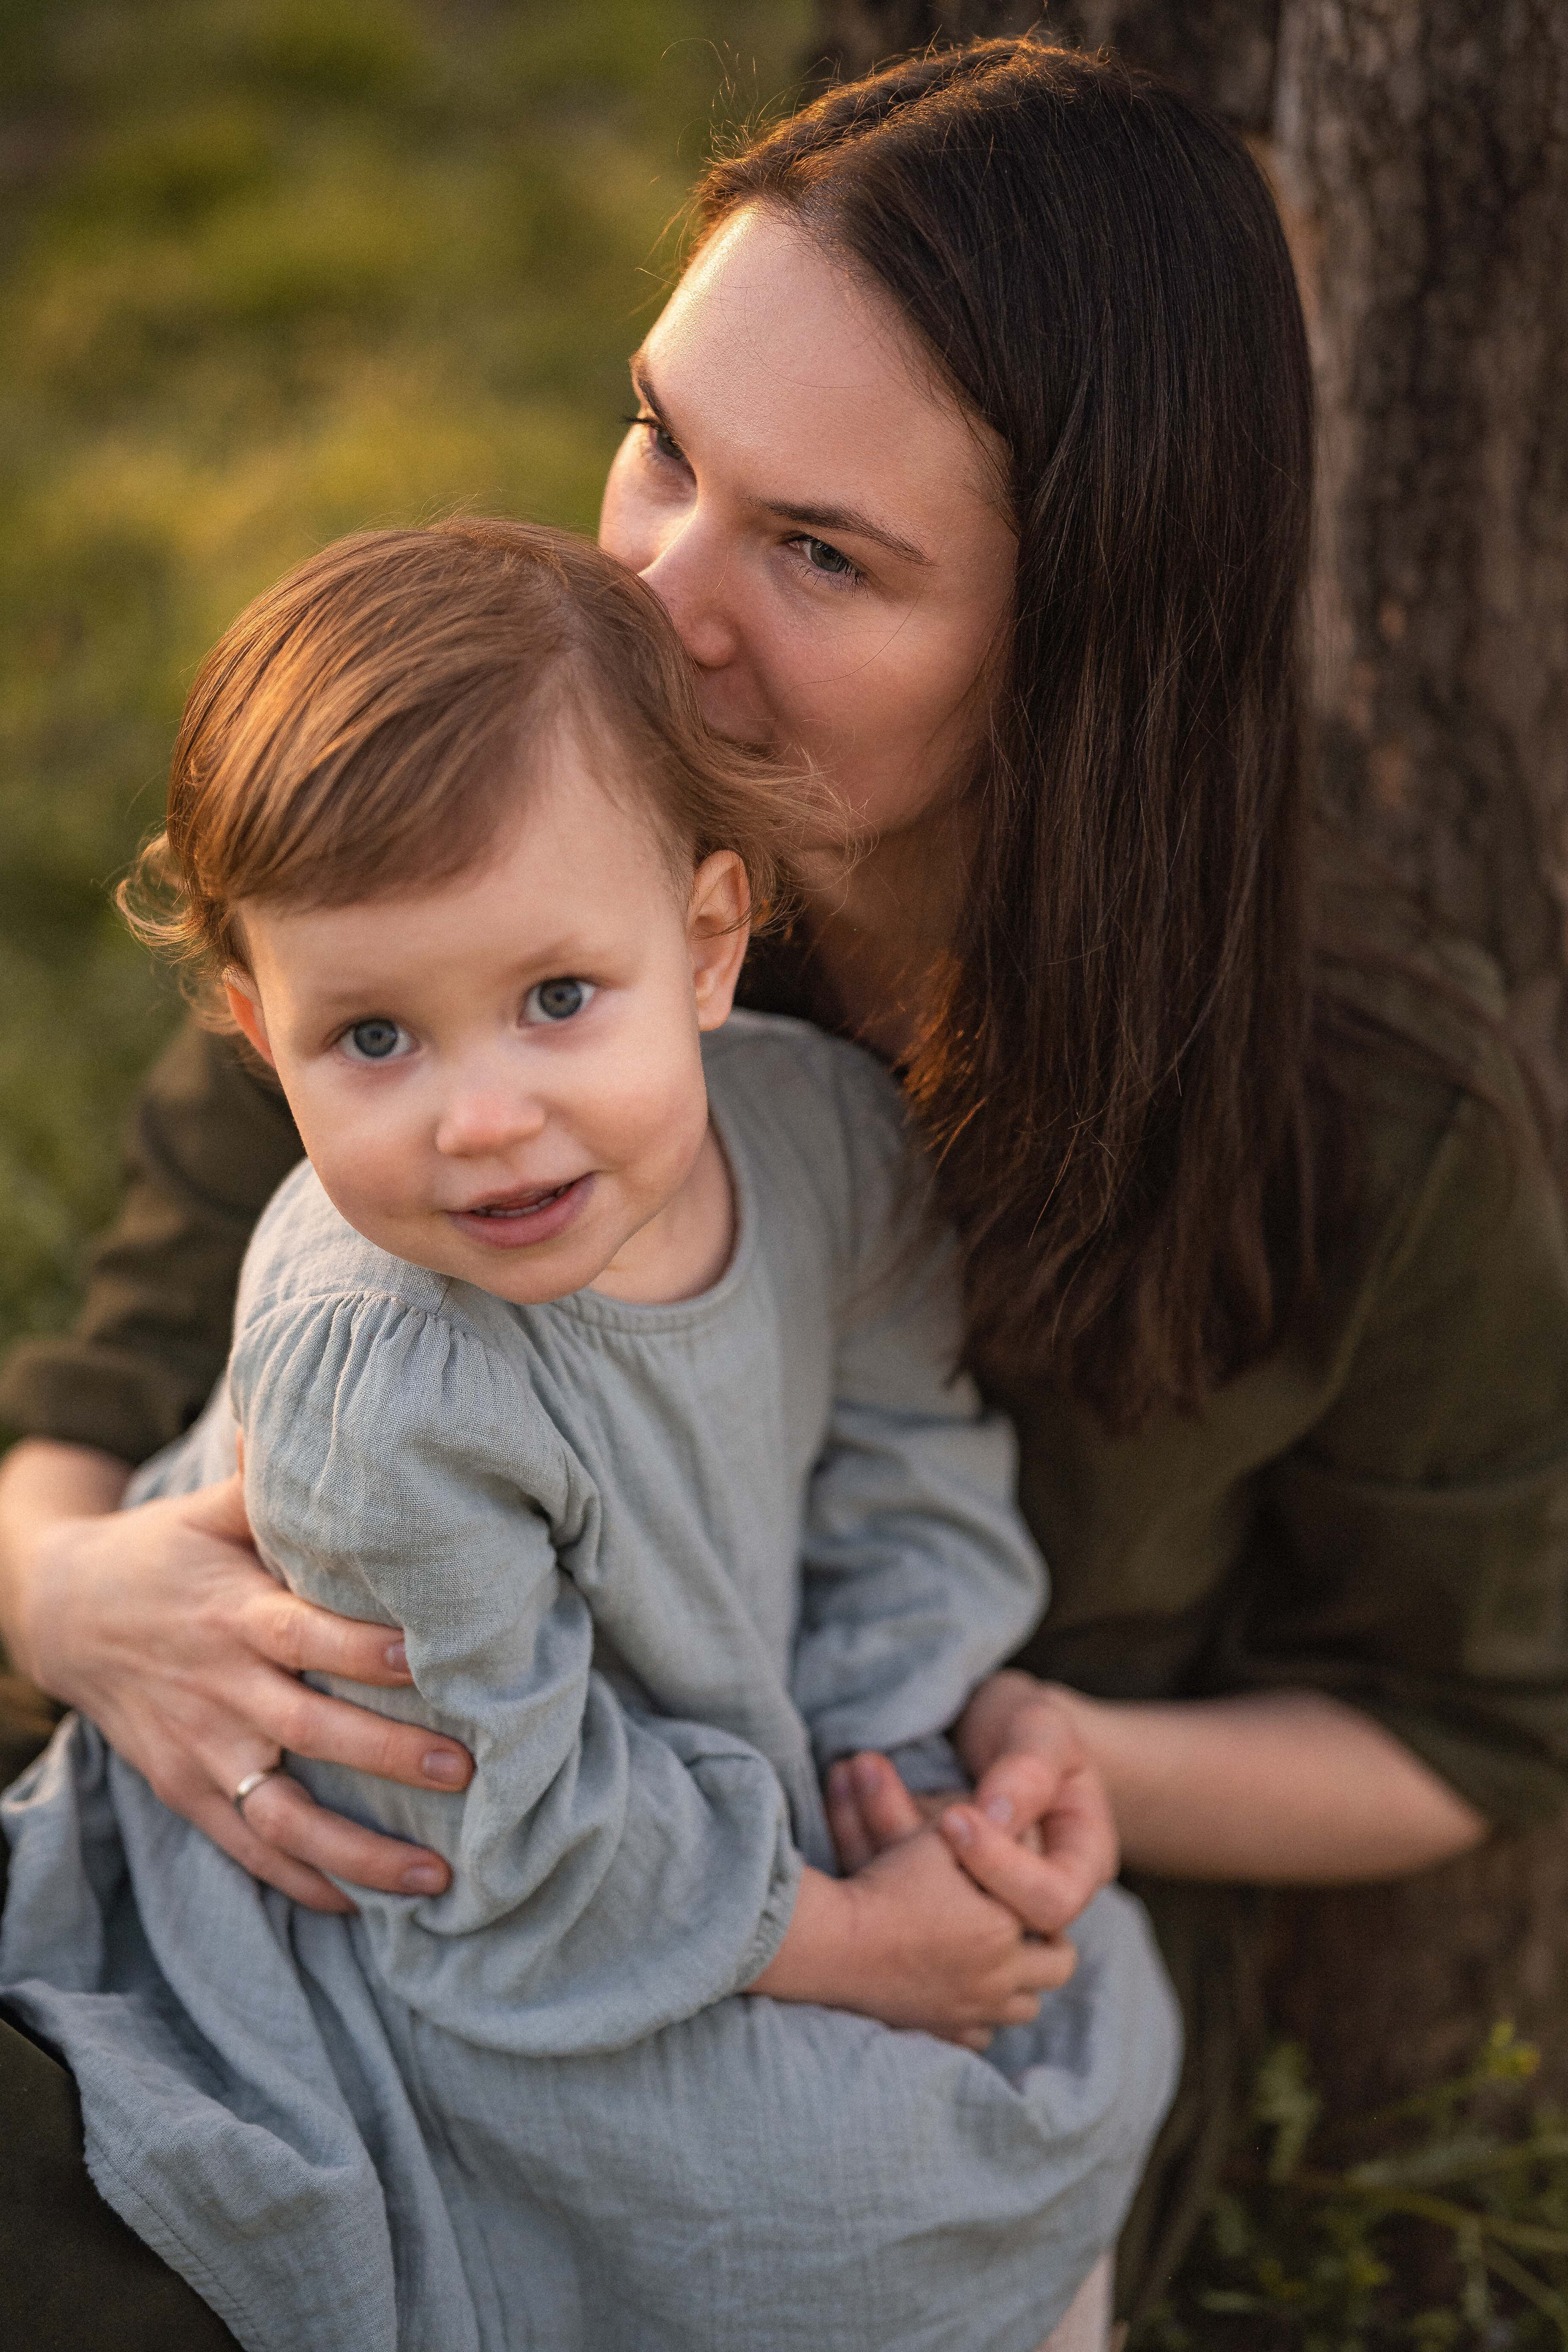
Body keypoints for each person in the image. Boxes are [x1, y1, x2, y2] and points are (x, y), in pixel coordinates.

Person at [2, 31, 1566, 2343]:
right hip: (341, 1874)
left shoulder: (1370, 1106)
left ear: (1078, 642)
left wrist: (1047, 1762)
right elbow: (134, 1340)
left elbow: (1479, 1725)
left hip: (890, 1981)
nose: (656, 595)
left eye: (822, 552)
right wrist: (64, 1598)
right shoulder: (490, 807)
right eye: (664, 445)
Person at [0, 515, 1178, 2352]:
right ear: (260, 1030)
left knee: (1091, 2008)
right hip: (416, 1885)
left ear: (709, 943)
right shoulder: (385, 1375)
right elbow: (505, 1859)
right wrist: (859, 1950)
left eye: (559, 999)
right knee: (833, 2204)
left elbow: (911, 1474)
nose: (485, 1120)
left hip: (706, 1803)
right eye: (374, 1037)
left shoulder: (825, 1145)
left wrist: (903, 1782)